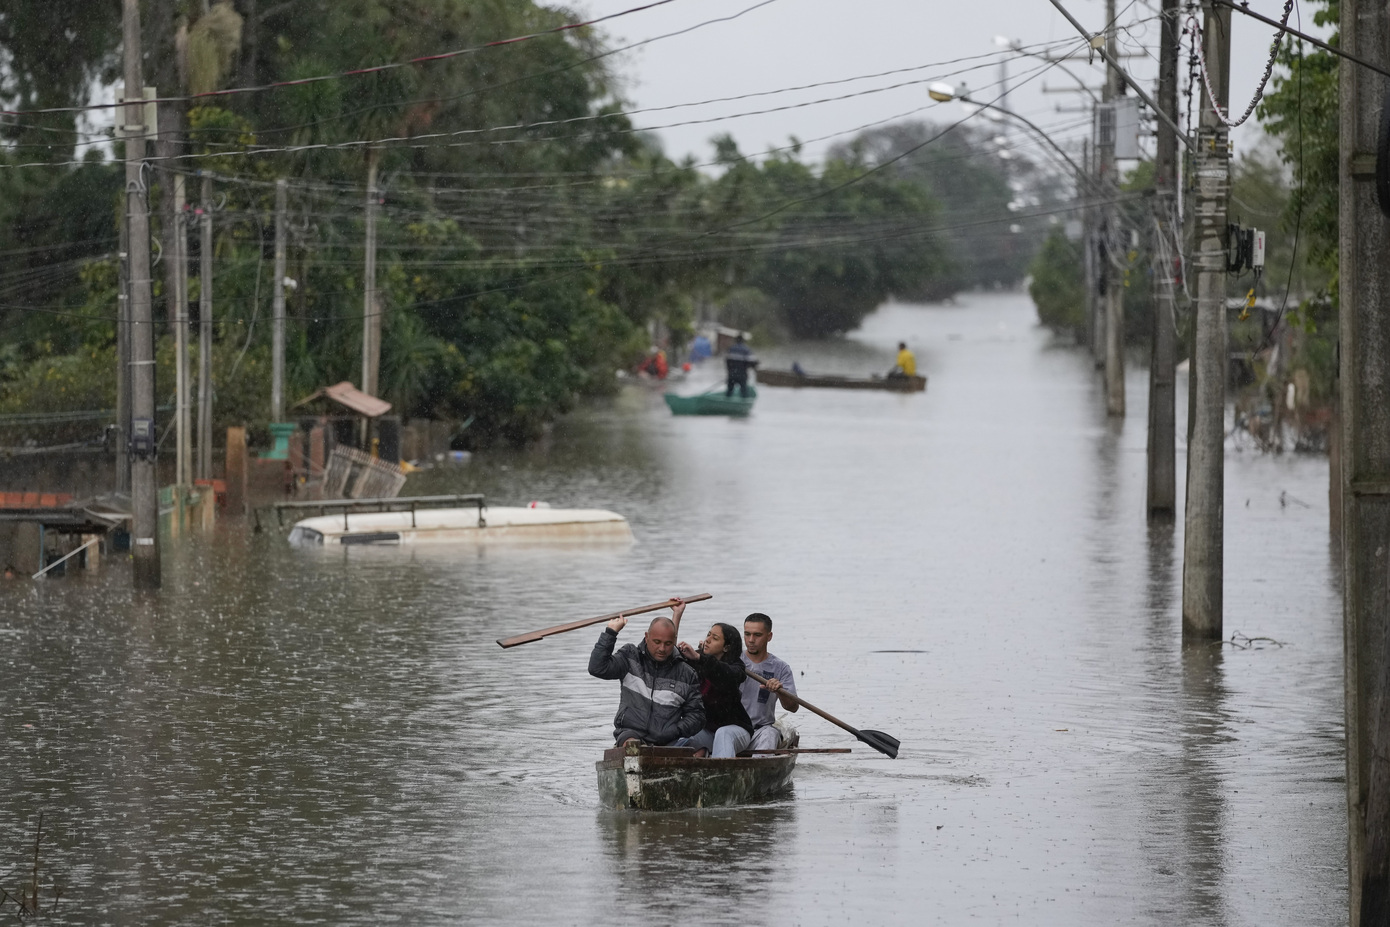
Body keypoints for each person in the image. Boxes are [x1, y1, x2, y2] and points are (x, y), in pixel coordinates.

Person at [588, 604, 704, 747]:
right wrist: (611, 633)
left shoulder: (686, 673)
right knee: (632, 746)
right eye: (657, 642)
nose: (662, 648)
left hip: (669, 740)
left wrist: (674, 730)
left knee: (698, 749)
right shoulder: (630, 657)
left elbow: (697, 716)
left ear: (674, 640)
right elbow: (597, 668)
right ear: (647, 637)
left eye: (668, 644)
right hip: (630, 735)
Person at [674, 622, 754, 758]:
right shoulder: (696, 664)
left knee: (723, 734)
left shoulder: (736, 667)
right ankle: (703, 752)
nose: (708, 640)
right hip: (707, 731)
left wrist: (700, 657)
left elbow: (726, 674)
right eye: (708, 635)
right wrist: (677, 615)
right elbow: (670, 654)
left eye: (715, 638)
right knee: (678, 738)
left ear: (726, 648)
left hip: (736, 730)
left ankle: (722, 776)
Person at [740, 613, 799, 751]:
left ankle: (760, 767)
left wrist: (780, 691)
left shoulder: (781, 667)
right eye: (747, 634)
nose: (751, 640)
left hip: (762, 730)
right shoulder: (733, 661)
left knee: (770, 735)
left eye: (757, 635)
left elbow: (793, 707)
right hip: (734, 728)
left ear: (769, 636)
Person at [725, 334, 758, 398]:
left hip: (732, 374)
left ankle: (727, 401)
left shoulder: (731, 349)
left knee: (729, 390)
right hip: (742, 374)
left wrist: (730, 372)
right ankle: (744, 401)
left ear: (736, 340)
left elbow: (727, 361)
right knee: (744, 391)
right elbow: (752, 362)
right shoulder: (746, 350)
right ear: (743, 341)